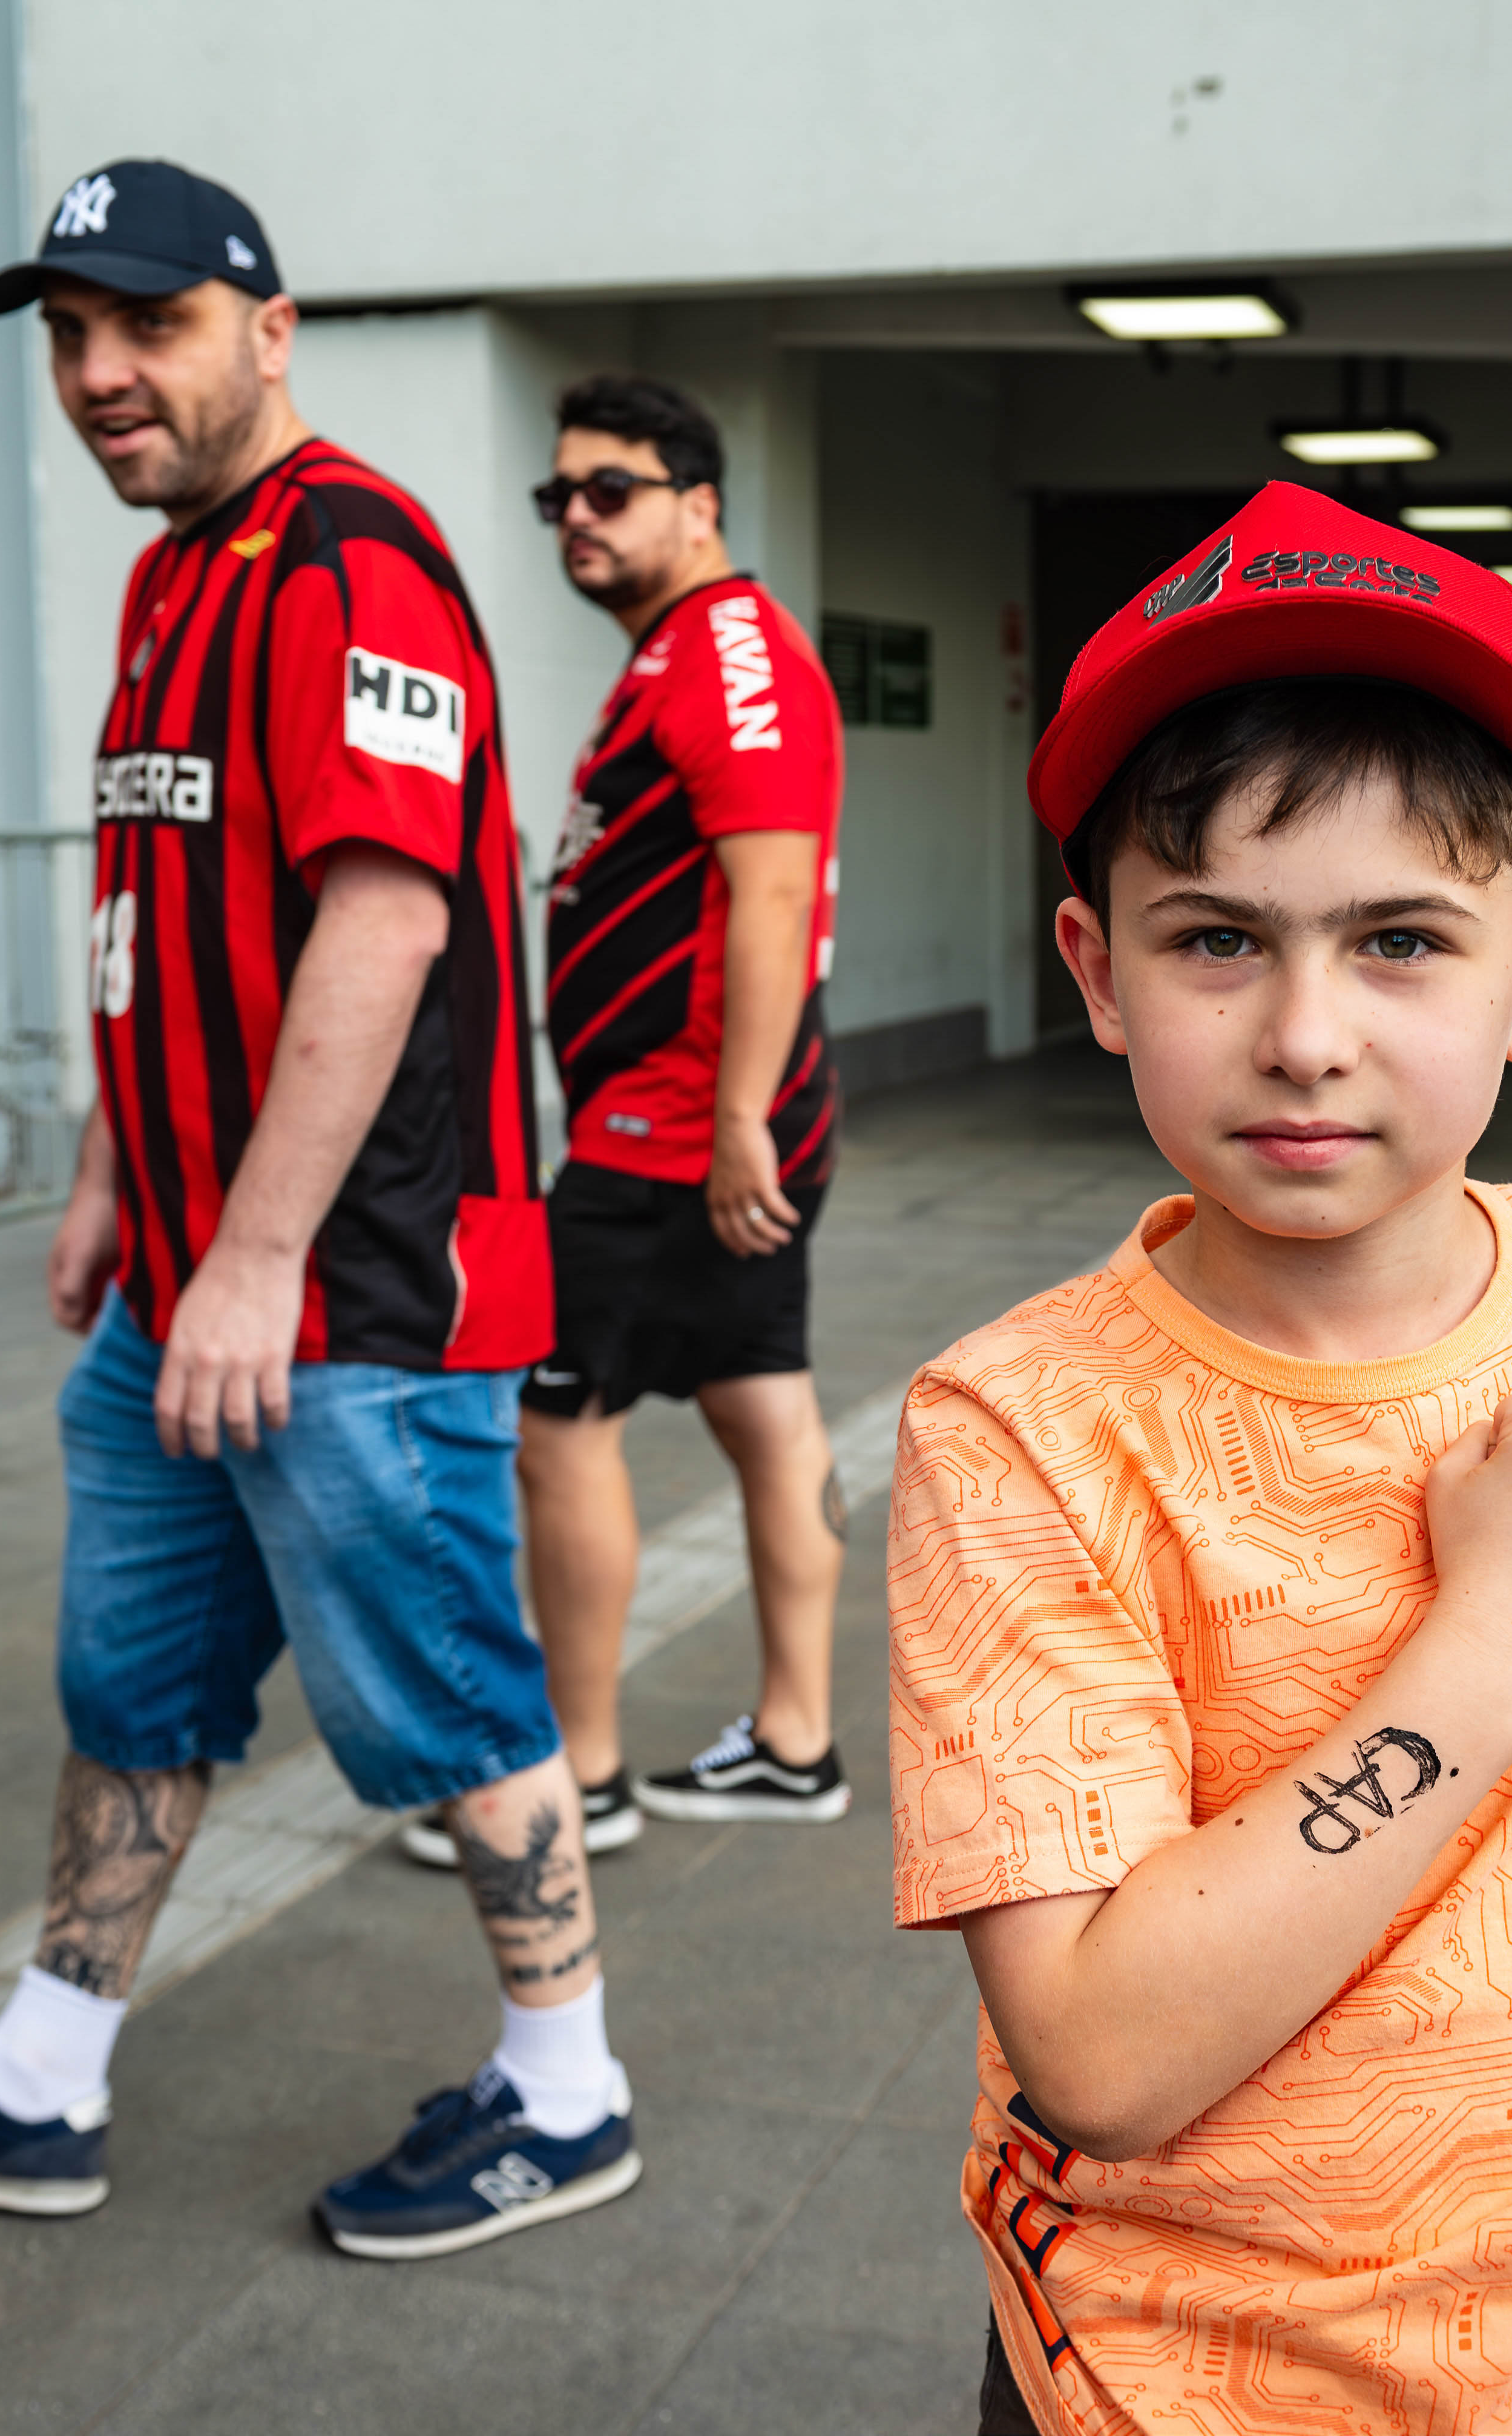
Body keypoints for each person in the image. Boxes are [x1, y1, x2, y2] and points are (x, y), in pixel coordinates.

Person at [896, 481, 1512, 2435]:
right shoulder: (1024, 1429)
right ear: (1097, 971)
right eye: (1216, 940)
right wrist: (1503, 1632)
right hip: (1192, 2379)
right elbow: (1096, 2052)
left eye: (1401, 940)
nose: (1304, 1034)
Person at [0, 162, 641, 2260]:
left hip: (356, 1297)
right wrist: (106, 1171)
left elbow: (382, 923)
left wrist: (250, 1255)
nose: (98, 373)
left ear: (269, 329)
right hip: (187, 1287)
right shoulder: (177, 579)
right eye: (70, 335)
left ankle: (566, 2092)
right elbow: (161, 909)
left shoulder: (353, 564)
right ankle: (40, 2079)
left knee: (451, 1694)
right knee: (132, 1684)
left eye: (146, 326)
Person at [486, 371, 856, 1848]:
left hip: (672, 1134)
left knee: (556, 1426)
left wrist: (740, 1116)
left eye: (610, 488)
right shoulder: (679, 654)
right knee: (764, 1405)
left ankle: (578, 1773)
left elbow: (771, 889)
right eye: (558, 494)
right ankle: (797, 1741)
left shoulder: (726, 649)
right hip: (701, 1126)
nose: (575, 515)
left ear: (699, 506)